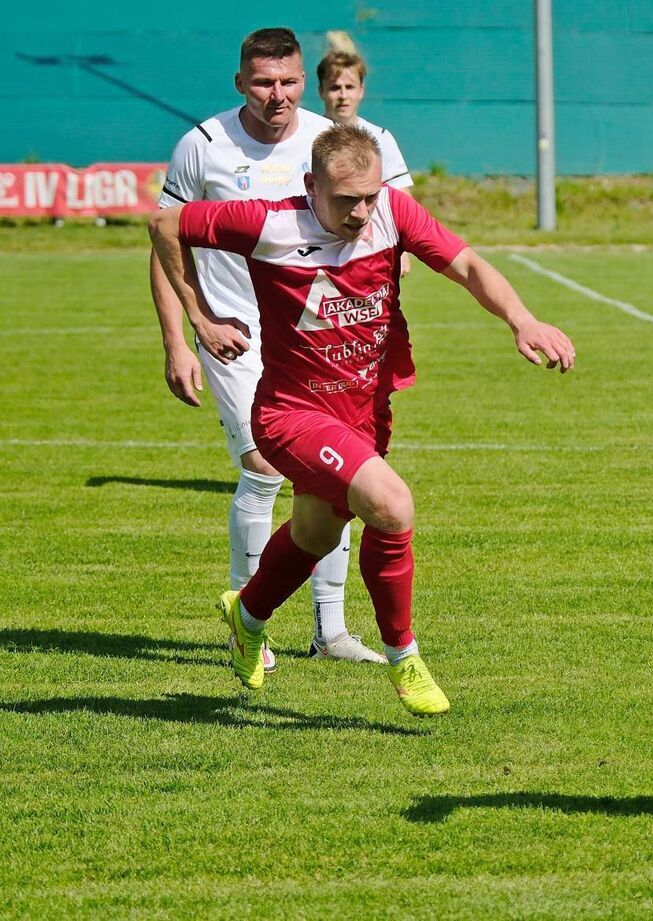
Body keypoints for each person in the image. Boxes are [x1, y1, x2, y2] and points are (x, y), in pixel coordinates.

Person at [148, 123, 575, 715]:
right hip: (292, 413)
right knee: (392, 504)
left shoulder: (393, 212)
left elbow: (469, 265)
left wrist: (521, 320)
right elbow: (166, 224)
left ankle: (246, 616)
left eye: (370, 195)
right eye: (346, 199)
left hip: (364, 411)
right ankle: (404, 657)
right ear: (310, 186)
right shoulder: (268, 221)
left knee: (315, 535)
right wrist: (200, 317)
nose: (361, 211)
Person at [151, 27, 383, 665]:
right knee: (263, 468)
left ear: (303, 82)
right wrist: (185, 333)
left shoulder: (330, 142)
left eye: (286, 81)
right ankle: (248, 623)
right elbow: (166, 240)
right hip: (234, 338)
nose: (275, 94)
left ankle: (330, 631)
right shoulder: (202, 146)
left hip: (318, 340)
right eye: (262, 82)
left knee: (330, 480)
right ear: (240, 84)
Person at [316, 47, 416, 278]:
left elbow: (401, 200)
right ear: (321, 91)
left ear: (361, 90)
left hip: (371, 253)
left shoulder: (380, 137)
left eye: (349, 87)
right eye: (334, 87)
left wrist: (402, 251)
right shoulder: (307, 137)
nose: (343, 95)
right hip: (318, 254)